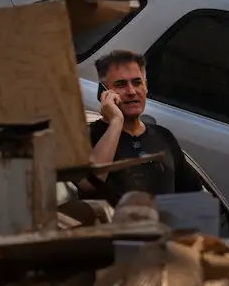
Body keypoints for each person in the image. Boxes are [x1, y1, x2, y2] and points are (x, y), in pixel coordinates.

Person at [86, 49, 201, 200]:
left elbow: (194, 196)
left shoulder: (163, 137)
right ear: (104, 92)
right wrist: (116, 122)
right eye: (121, 84)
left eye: (137, 82)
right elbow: (88, 187)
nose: (132, 91)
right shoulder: (88, 136)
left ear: (146, 86)